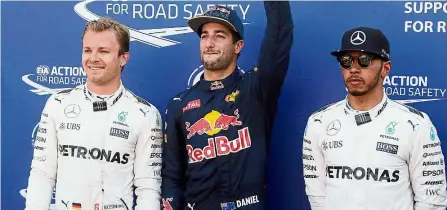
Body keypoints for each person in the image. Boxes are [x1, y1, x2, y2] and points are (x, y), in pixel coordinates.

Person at [161, 2, 293, 210]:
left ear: (238, 46)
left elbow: (279, 35)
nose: (209, 43)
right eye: (204, 35)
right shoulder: (179, 105)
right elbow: (171, 178)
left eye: (219, 36)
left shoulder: (256, 89)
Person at [25, 17, 163, 210]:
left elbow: (148, 187)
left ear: (124, 58)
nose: (93, 58)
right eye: (87, 50)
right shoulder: (58, 104)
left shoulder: (145, 114)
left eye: (104, 51)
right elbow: (42, 174)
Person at [302, 26, 447, 210]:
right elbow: (317, 196)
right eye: (346, 61)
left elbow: (432, 201)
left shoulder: (415, 125)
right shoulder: (319, 123)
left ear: (385, 68)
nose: (353, 69)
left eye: (364, 60)